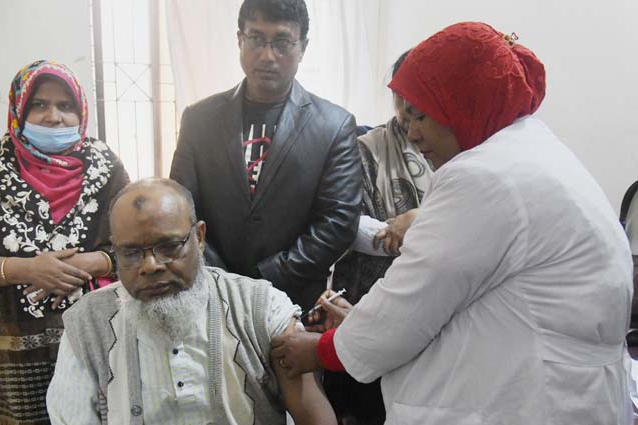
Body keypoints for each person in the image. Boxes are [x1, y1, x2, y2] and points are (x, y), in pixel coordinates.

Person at [272, 22, 634, 424]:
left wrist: (321, 350)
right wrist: (359, 322)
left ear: (462, 103)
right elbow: (475, 301)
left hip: (530, 400)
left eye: (422, 116)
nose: (413, 133)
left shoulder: (485, 176)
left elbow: (409, 308)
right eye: (405, 117)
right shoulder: (533, 150)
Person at [0, 60, 129, 424]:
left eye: (65, 106)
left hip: (100, 344)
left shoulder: (106, 168)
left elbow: (138, 246)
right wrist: (25, 270)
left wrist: (93, 262)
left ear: (81, 112)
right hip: (13, 360)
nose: (54, 117)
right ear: (19, 110)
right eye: (39, 104)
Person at [46, 178, 336, 425]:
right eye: (131, 253)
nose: (150, 266)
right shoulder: (86, 324)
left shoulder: (260, 307)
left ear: (199, 237)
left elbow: (314, 416)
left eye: (169, 246)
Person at [169, 0, 361, 310]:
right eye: (256, 39)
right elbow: (181, 210)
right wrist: (222, 279)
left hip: (294, 303)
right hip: (211, 298)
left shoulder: (334, 126)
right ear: (240, 40)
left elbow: (338, 223)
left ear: (303, 47)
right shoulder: (199, 119)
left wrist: (265, 277)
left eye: (282, 42)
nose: (267, 55)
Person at [326, 49, 433, 425]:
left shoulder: (457, 151)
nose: (408, 115)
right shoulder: (365, 149)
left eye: (419, 104)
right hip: (368, 305)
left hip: (431, 314)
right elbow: (345, 222)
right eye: (402, 101)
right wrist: (402, 232)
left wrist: (420, 223)